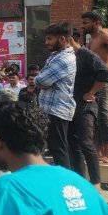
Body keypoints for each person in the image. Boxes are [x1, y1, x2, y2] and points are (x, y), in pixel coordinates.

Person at [68, 32, 108, 185]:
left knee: (86, 143)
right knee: (74, 146)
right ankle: (80, 181)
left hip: (86, 106)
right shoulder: (68, 57)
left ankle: (96, 183)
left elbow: (105, 73)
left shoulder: (86, 55)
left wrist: (91, 92)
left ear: (69, 39)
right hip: (71, 107)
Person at [36, 22, 77, 171]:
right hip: (50, 109)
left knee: (59, 148)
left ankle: (66, 183)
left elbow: (40, 80)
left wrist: (43, 81)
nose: (46, 42)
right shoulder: (55, 55)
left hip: (58, 110)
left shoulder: (64, 59)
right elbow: (42, 79)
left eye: (49, 39)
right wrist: (44, 81)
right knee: (55, 148)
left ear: (61, 39)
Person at [82, 11, 108, 164]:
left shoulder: (104, 36)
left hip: (103, 81)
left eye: (86, 23)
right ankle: (98, 152)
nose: (83, 26)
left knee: (103, 116)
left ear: (96, 22)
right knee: (95, 117)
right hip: (93, 82)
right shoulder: (92, 39)